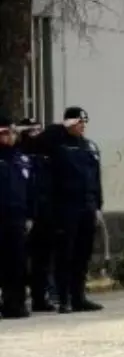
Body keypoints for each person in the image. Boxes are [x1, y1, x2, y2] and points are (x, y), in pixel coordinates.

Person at [40, 107, 104, 314]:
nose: (82, 126)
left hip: (87, 207)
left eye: (84, 123)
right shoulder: (57, 145)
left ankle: (79, 297)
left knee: (82, 255)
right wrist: (59, 128)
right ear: (68, 124)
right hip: (66, 208)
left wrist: (98, 206)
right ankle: (64, 298)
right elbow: (40, 143)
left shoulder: (89, 147)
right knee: (64, 255)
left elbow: (96, 180)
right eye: (78, 122)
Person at [16, 118, 56, 312]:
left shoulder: (47, 156)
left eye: (39, 130)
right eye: (31, 131)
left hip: (45, 215)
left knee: (42, 259)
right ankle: (17, 299)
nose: (36, 134)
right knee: (19, 260)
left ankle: (41, 298)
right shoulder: (18, 156)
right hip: (23, 215)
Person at [0, 114, 35, 318]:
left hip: (17, 218)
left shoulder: (21, 159)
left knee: (17, 262)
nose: (10, 136)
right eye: (5, 133)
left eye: (12, 132)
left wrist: (31, 215)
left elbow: (30, 189)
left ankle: (16, 303)